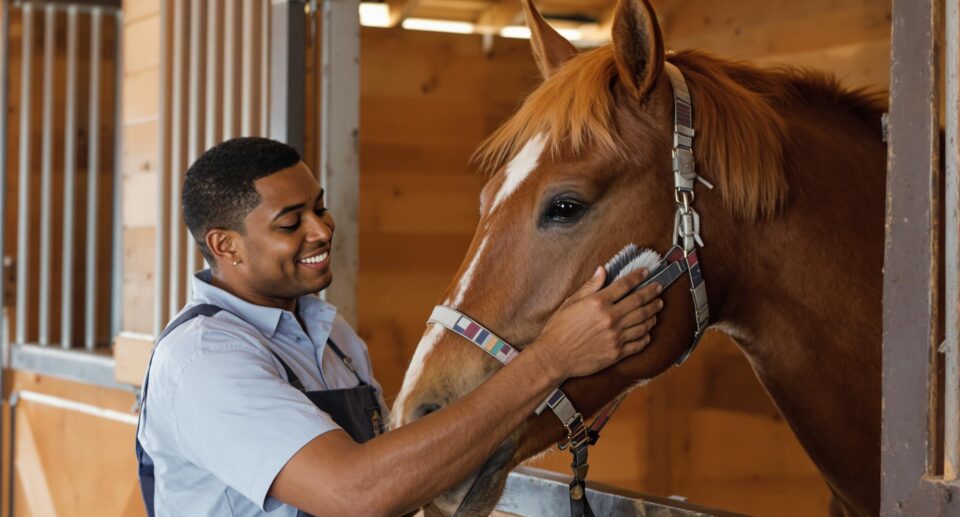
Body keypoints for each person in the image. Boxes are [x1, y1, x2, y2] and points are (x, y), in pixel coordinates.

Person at [135, 137, 663, 516]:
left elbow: (396, 475)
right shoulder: (206, 361)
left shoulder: (331, 335)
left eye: (319, 207)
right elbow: (355, 495)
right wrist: (550, 360)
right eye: (291, 223)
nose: (322, 230)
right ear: (225, 246)